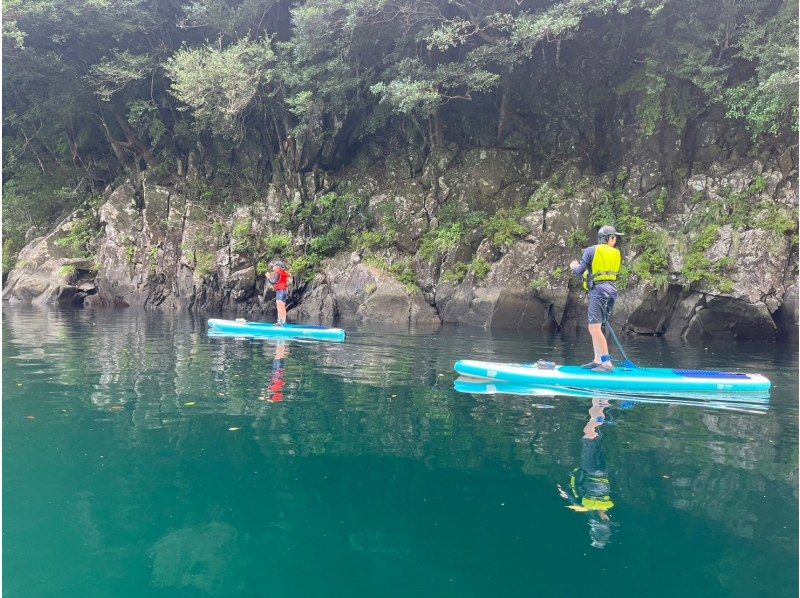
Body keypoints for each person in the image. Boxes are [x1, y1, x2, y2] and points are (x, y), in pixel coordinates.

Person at [557, 398, 615, 549]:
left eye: (607, 519)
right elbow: (571, 494)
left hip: (603, 472)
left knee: (596, 437)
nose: (608, 518)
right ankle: (599, 402)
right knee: (589, 433)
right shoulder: (585, 506)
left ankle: (603, 404)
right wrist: (565, 492)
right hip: (590, 470)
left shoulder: (608, 505)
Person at [569, 225, 623, 372]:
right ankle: (597, 360)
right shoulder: (616, 253)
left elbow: (579, 271)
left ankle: (606, 364)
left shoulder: (591, 250)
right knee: (596, 327)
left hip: (599, 291)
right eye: (614, 237)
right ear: (608, 238)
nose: (616, 240)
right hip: (611, 291)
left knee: (594, 327)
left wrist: (574, 266)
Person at [266, 260, 292, 325]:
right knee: (283, 306)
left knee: (279, 306)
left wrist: (268, 277)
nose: (273, 267)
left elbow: (273, 282)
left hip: (280, 292)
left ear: (278, 267)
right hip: (285, 292)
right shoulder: (285, 273)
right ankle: (283, 321)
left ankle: (279, 322)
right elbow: (287, 282)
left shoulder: (278, 273)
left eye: (274, 266)